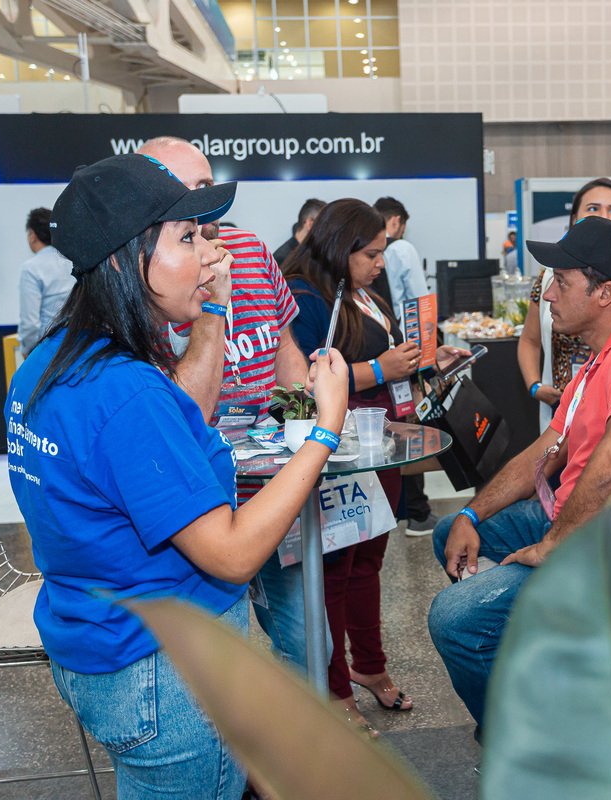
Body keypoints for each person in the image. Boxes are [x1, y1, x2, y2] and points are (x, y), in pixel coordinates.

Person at [6, 153, 350, 798]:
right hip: (168, 674)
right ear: (120, 260)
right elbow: (232, 555)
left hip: (99, 647)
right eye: (187, 238)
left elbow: (155, 445)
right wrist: (324, 430)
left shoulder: (51, 361)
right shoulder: (125, 389)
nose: (211, 255)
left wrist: (212, 311)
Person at [428, 216, 611, 730]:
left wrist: (553, 546)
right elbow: (545, 450)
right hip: (574, 524)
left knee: (454, 620)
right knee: (453, 532)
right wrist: (469, 511)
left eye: (562, 282)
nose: (547, 295)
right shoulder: (600, 360)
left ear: (605, 293)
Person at [133, 137, 322, 678]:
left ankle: (289, 754)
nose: (207, 200)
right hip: (198, 507)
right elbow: (180, 415)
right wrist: (214, 303)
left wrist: (296, 434)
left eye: (208, 184)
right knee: (216, 668)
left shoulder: (254, 250)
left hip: (270, 493)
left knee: (310, 644)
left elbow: (283, 345)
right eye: (189, 189)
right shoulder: (149, 280)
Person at [281, 197, 469, 736]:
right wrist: (377, 369)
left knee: (369, 560)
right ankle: (335, 685)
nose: (381, 263)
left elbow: (390, 365)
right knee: (335, 568)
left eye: (382, 252)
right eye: (371, 253)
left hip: (381, 443)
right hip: (338, 452)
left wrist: (427, 362)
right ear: (341, 249)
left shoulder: (363, 292)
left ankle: (368, 663)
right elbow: (304, 386)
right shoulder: (305, 298)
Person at [517, 178, 611, 428]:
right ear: (574, 218)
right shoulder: (548, 275)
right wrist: (535, 386)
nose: (604, 216)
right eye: (593, 209)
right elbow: (530, 340)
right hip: (557, 414)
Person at [371, 196, 438, 536]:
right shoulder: (403, 250)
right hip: (405, 352)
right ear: (396, 221)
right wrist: (428, 359)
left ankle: (406, 510)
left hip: (381, 353)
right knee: (410, 429)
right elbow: (419, 304)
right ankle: (418, 512)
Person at [16, 207, 75, 356]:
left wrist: (26, 351)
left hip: (48, 351)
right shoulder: (72, 262)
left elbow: (30, 324)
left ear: (32, 235)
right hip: (78, 346)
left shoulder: (31, 269)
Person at [372, 196, 429, 315]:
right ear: (396, 221)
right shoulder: (403, 248)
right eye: (402, 231)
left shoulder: (361, 247)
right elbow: (420, 300)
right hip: (398, 327)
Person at [273, 197, 325, 267]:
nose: (327, 230)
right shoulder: (282, 259)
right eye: (324, 224)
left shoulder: (317, 251)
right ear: (310, 224)